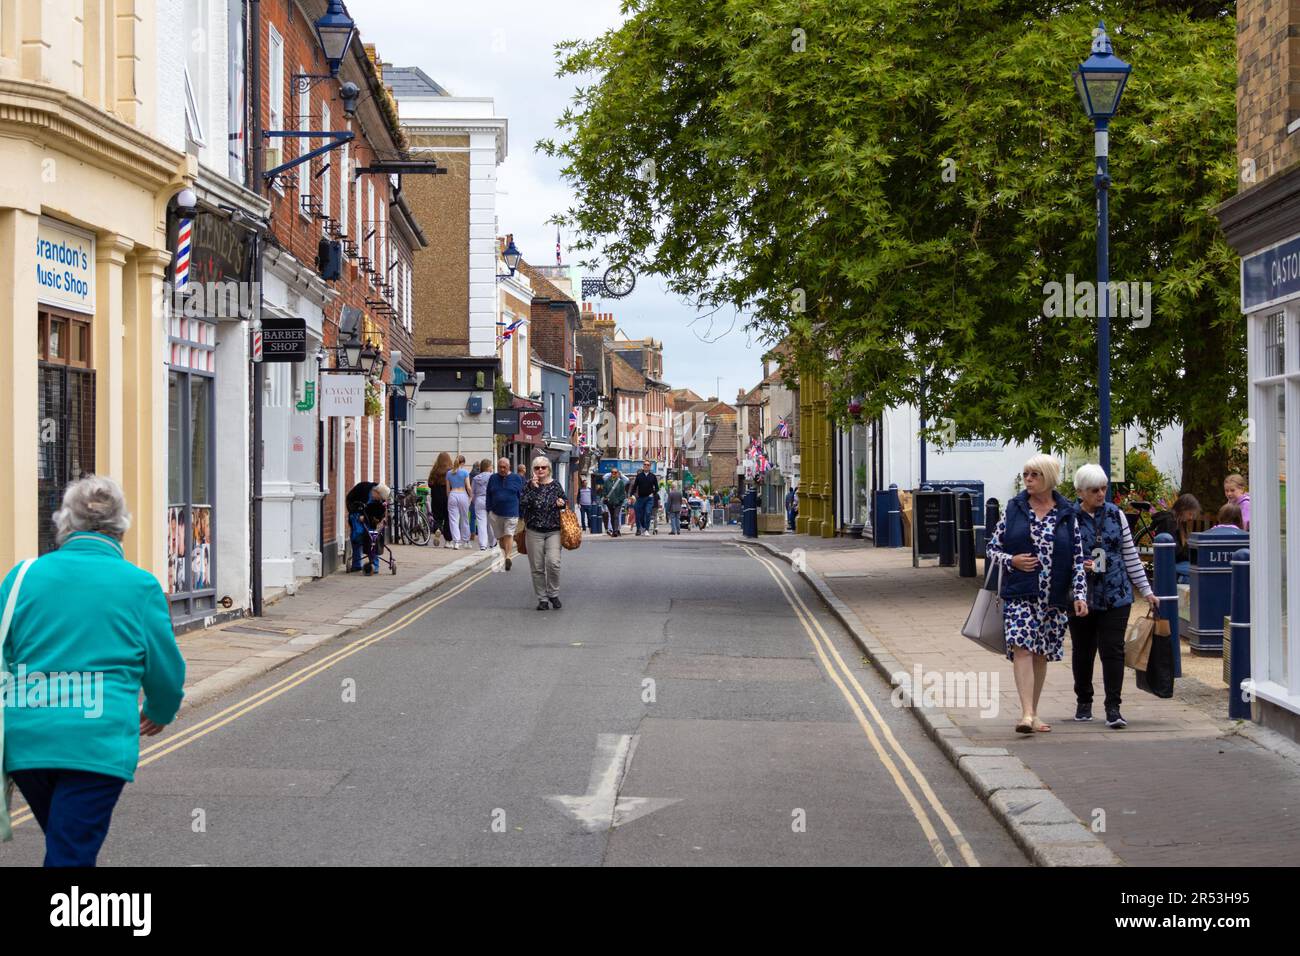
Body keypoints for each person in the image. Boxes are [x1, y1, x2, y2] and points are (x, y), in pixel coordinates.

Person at [1, 476, 185, 866]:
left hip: (27, 741)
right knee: (70, 850)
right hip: (97, 743)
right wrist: (161, 709)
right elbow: (165, 667)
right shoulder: (140, 586)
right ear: (122, 526)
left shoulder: (20, 577)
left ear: (64, 522)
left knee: (65, 842)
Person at [986, 454, 1088, 735]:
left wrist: (1079, 594)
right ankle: (1026, 713)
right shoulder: (1015, 508)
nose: (1028, 480)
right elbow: (992, 548)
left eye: (1034, 475)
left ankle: (1034, 710)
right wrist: (1012, 561)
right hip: (1020, 592)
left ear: (1048, 478)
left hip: (1052, 597)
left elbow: (1078, 559)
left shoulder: (1066, 514)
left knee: (1041, 654)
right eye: (1026, 474)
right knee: (1022, 648)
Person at [1069, 463, 1157, 729]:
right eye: (1095, 490)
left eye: (1104, 489)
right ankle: (1084, 701)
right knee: (1083, 651)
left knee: (1113, 650)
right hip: (1081, 594)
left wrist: (1147, 591)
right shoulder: (1069, 517)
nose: (1101, 494)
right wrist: (1078, 563)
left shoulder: (1115, 515)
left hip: (1115, 593)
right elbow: (1061, 557)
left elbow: (1130, 555)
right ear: (1080, 492)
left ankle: (1113, 707)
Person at [519, 455, 567, 610]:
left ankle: (553, 593)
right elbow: (523, 504)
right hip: (534, 531)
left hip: (554, 530)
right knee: (537, 568)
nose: (540, 470)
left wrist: (561, 504)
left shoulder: (556, 485)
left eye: (543, 467)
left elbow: (564, 502)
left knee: (553, 563)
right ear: (533, 470)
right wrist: (533, 488)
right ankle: (542, 599)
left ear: (549, 469)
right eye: (536, 468)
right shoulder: (528, 485)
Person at [486, 457, 525, 571]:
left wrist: (521, 512)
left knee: (509, 534)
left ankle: (508, 557)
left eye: (504, 467)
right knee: (501, 538)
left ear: (509, 467)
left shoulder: (516, 478)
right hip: (496, 513)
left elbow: (521, 496)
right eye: (500, 467)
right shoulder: (493, 478)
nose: (502, 469)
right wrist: (488, 509)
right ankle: (505, 554)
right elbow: (488, 494)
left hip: (511, 512)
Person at [345, 480, 392, 574]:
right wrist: (356, 513)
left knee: (373, 538)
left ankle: (374, 565)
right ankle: (356, 564)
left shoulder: (379, 499)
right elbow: (350, 499)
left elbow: (381, 510)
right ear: (376, 492)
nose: (380, 500)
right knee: (357, 536)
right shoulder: (363, 488)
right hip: (357, 515)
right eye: (380, 497)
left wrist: (382, 519)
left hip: (370, 519)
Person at [1170, 493, 1202, 584]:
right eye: (1190, 514)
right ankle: (1181, 579)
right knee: (1202, 571)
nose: (1191, 518)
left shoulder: (1179, 523)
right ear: (1183, 509)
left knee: (1202, 570)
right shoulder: (1170, 522)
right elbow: (1174, 552)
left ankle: (1182, 578)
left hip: (1178, 563)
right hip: (1173, 565)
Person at [446, 455, 472, 549]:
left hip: (453, 495)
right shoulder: (465, 472)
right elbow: (468, 487)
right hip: (462, 494)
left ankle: (456, 542)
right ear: (463, 463)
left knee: (453, 520)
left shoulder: (449, 473)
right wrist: (471, 496)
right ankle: (466, 541)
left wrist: (450, 497)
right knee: (464, 518)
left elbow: (448, 490)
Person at [427, 451, 453, 545]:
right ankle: (448, 541)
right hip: (447, 496)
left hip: (436, 497)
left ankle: (438, 529)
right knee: (448, 518)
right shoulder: (451, 471)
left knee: (437, 517)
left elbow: (430, 483)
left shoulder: (434, 471)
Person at [472, 458, 495, 551]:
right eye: (491, 466)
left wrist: (474, 501)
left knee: (481, 523)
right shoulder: (493, 477)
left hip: (479, 500)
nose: (492, 467)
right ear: (488, 467)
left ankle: (483, 544)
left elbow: (472, 492)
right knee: (491, 523)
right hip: (490, 500)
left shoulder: (475, 478)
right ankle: (492, 542)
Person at [632, 460, 658, 536]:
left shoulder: (653, 476)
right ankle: (640, 528)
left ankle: (646, 529)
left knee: (648, 512)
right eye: (645, 464)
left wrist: (653, 494)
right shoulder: (639, 476)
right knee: (639, 514)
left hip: (649, 499)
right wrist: (632, 495)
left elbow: (657, 488)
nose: (646, 466)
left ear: (650, 466)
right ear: (643, 466)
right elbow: (634, 486)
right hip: (640, 498)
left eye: (648, 465)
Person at [604, 468, 627, 537]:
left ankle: (615, 531)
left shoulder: (620, 482)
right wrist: (605, 496)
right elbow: (604, 491)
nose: (613, 474)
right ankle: (614, 529)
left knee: (616, 516)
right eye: (612, 472)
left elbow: (623, 494)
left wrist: (619, 500)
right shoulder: (607, 481)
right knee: (612, 516)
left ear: (617, 473)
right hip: (610, 502)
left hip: (618, 503)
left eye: (615, 472)